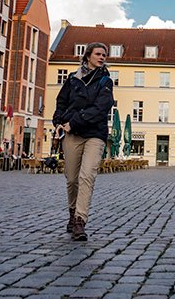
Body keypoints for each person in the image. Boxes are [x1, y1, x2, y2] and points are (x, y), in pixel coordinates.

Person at [53, 42, 114, 241]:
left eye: (104, 54)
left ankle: (80, 220)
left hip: (95, 134)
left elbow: (101, 108)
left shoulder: (105, 80)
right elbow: (61, 101)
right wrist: (59, 122)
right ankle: (72, 214)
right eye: (98, 53)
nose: (102, 57)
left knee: (87, 176)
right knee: (71, 178)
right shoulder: (73, 79)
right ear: (88, 55)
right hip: (72, 134)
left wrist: (75, 121)